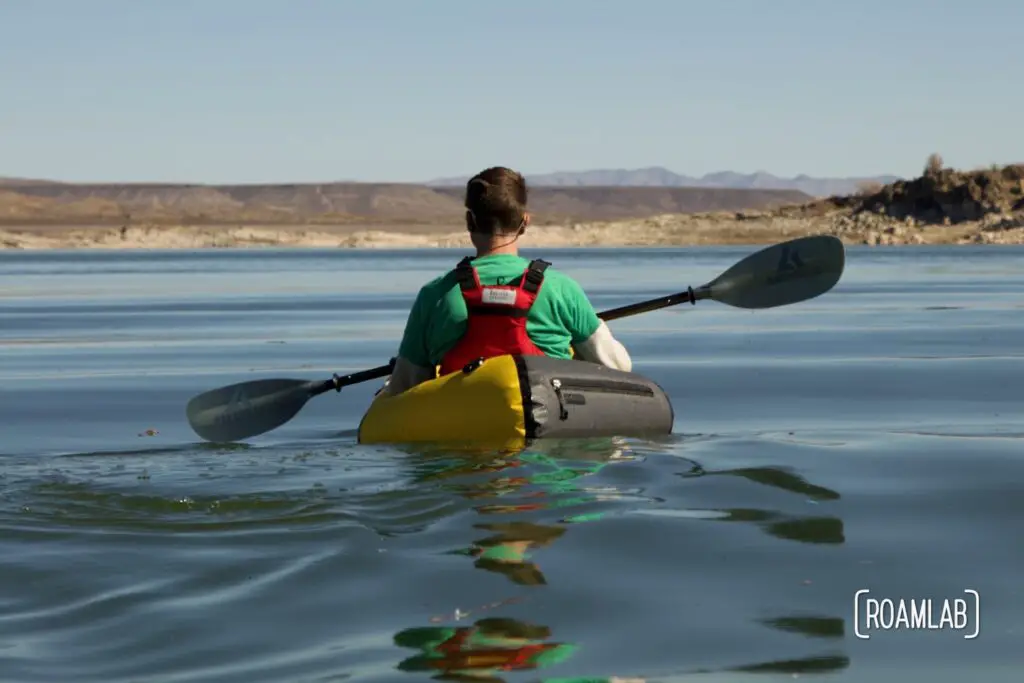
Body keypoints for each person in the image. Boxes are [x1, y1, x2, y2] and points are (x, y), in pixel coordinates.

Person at [381, 166, 632, 396]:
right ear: (525, 222)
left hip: (462, 428)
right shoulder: (562, 289)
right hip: (550, 424)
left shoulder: (435, 295)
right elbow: (618, 367)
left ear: (470, 222)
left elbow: (405, 387)